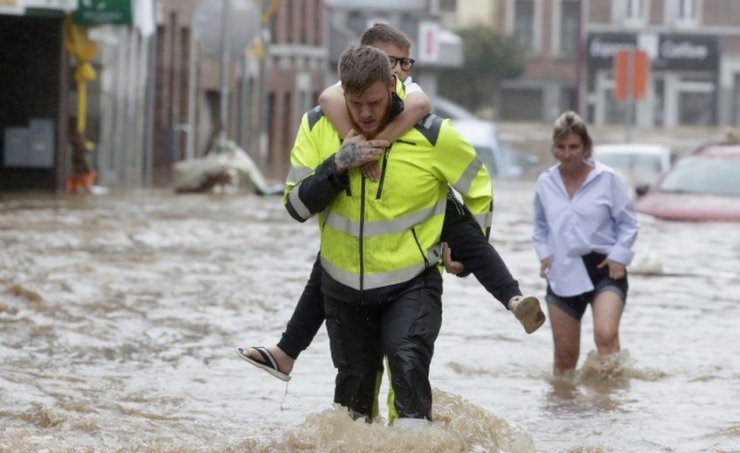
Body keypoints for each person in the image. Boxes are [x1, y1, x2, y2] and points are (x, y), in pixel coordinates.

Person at [237, 24, 544, 383]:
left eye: (405, 63)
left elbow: (421, 108)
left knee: (465, 240)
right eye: (392, 60)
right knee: (328, 289)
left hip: (416, 256)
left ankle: (511, 297)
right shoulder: (328, 111)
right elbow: (327, 103)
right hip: (347, 273)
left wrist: (377, 144)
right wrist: (344, 157)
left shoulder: (421, 115)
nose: (401, 69)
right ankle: (287, 351)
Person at [277, 44, 495, 426]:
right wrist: (339, 165)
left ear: (393, 88)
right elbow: (296, 207)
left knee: (407, 366)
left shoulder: (432, 133)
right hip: (345, 287)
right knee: (352, 405)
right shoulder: (317, 125)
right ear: (343, 92)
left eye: (375, 103)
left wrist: (468, 245)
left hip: (412, 280)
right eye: (356, 103)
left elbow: (478, 186)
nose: (365, 113)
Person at [533, 111, 639, 376]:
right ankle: (566, 414)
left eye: (574, 147)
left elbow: (629, 223)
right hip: (563, 272)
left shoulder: (607, 179)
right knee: (565, 360)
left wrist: (619, 256)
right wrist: (544, 254)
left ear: (586, 147)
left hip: (604, 268)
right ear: (554, 148)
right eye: (561, 147)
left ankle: (611, 409)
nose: (567, 154)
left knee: (606, 336)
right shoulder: (546, 182)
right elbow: (541, 226)